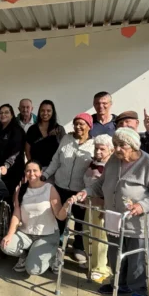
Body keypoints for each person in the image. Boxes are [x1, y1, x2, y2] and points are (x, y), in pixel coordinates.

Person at [73, 128, 149, 296]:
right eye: (115, 145)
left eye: (122, 145)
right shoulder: (114, 160)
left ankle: (140, 294)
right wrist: (87, 191)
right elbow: (101, 183)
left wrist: (142, 205)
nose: (117, 149)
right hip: (115, 219)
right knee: (115, 255)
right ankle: (120, 284)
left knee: (137, 262)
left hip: (138, 224)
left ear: (133, 146)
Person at [0, 161, 73, 275]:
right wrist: (9, 234)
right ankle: (25, 256)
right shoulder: (20, 190)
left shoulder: (49, 189)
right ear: (25, 173)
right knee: (6, 246)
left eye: (35, 171)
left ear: (41, 172)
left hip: (47, 235)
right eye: (28, 171)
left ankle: (54, 255)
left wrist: (66, 206)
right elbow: (16, 214)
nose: (31, 174)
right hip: (26, 233)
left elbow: (60, 216)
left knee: (33, 270)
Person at [42, 113, 94, 265]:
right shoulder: (66, 139)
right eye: (76, 123)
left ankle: (78, 247)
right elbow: (56, 160)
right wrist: (45, 175)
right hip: (60, 185)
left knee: (79, 219)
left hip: (80, 190)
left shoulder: (94, 144)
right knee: (60, 217)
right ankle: (57, 245)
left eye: (81, 124)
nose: (78, 127)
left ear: (89, 126)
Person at [82, 134, 114, 282]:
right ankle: (91, 261)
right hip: (89, 203)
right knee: (88, 234)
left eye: (102, 149)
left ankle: (100, 268)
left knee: (100, 238)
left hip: (101, 205)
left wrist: (104, 204)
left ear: (111, 150)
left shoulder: (111, 167)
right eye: (96, 148)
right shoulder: (93, 162)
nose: (98, 151)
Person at [0, 104, 26, 195]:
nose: (3, 115)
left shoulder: (17, 130)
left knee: (9, 196)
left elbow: (16, 152)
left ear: (12, 115)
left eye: (6, 112)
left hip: (12, 169)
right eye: (0, 113)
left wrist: (6, 165)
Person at [25, 100, 66, 169]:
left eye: (48, 111)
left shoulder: (59, 129)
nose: (45, 113)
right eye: (42, 110)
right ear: (39, 112)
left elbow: (65, 149)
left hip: (55, 169)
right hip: (37, 170)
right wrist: (32, 165)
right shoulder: (32, 129)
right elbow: (27, 150)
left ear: (53, 112)